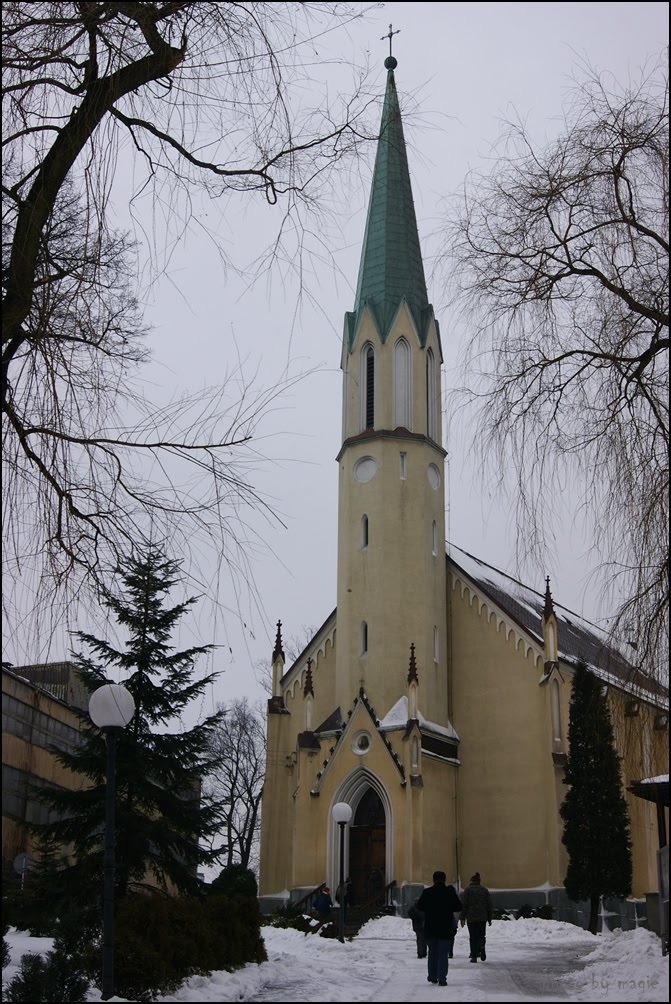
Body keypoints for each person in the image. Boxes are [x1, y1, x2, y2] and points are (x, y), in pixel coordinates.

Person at [416, 870, 463, 986]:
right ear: (444, 880)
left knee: (432, 952)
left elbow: (420, 906)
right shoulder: (449, 893)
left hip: (431, 927)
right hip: (445, 927)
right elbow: (458, 907)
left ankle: (432, 976)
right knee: (443, 954)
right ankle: (442, 978)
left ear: (433, 880)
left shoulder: (427, 892)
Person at [460, 872, 493, 962]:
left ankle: (474, 955)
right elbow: (489, 905)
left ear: (472, 881)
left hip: (471, 918)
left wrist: (462, 918)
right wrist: (489, 918)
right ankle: (482, 946)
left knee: (473, 936)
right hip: (482, 917)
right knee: (481, 934)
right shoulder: (484, 890)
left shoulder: (468, 890)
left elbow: (464, 905)